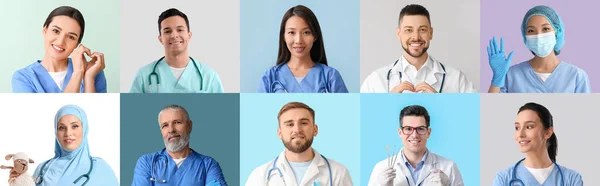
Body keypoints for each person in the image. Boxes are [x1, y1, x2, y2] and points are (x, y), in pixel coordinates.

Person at [361, 4, 476, 93]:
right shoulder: (375, 81)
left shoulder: (456, 79)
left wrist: (442, 102)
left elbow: (476, 116)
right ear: (399, 34)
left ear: (431, 33)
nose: (416, 37)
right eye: (408, 30)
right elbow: (358, 120)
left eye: (422, 30)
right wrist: (387, 103)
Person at [487, 5, 591, 93]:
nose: (538, 36)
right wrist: (497, 79)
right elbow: (490, 110)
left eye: (545, 29)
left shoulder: (576, 76)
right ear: (525, 36)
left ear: (557, 32)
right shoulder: (511, 75)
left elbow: (586, 113)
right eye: (531, 30)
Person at [246, 102, 353, 185]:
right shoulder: (260, 176)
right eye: (290, 124)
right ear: (280, 133)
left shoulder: (337, 173)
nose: (297, 129)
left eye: (304, 123)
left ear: (315, 130)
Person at [12, 6, 107, 93]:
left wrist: (89, 77)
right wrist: (78, 73)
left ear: (77, 44)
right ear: (45, 31)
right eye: (56, 31)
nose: (60, 42)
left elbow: (96, 111)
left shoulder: (93, 72)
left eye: (71, 37)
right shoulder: (23, 78)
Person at [257, 5, 349, 93]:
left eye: (306, 32)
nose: (298, 40)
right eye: (292, 32)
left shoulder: (331, 76)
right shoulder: (269, 77)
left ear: (315, 36)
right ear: (283, 37)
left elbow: (346, 108)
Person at [130, 8, 224, 93]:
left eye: (180, 30)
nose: (174, 35)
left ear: (189, 35)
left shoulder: (209, 77)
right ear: (160, 39)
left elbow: (222, 110)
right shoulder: (144, 75)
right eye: (167, 31)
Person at [368, 105, 464, 186]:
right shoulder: (380, 168)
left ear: (428, 132)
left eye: (420, 129)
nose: (414, 135)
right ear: (400, 132)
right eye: (408, 129)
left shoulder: (449, 167)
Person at [132, 105, 227, 185]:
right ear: (161, 131)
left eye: (177, 122)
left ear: (189, 126)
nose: (171, 130)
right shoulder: (147, 163)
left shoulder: (208, 165)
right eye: (165, 125)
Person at [492, 102, 583, 185]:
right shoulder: (503, 179)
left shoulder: (572, 179)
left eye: (529, 127)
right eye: (517, 128)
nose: (520, 134)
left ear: (548, 133)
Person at [32, 104, 118, 185]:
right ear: (56, 131)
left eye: (75, 126)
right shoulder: (42, 169)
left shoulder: (100, 168)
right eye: (61, 128)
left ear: (84, 129)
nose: (68, 133)